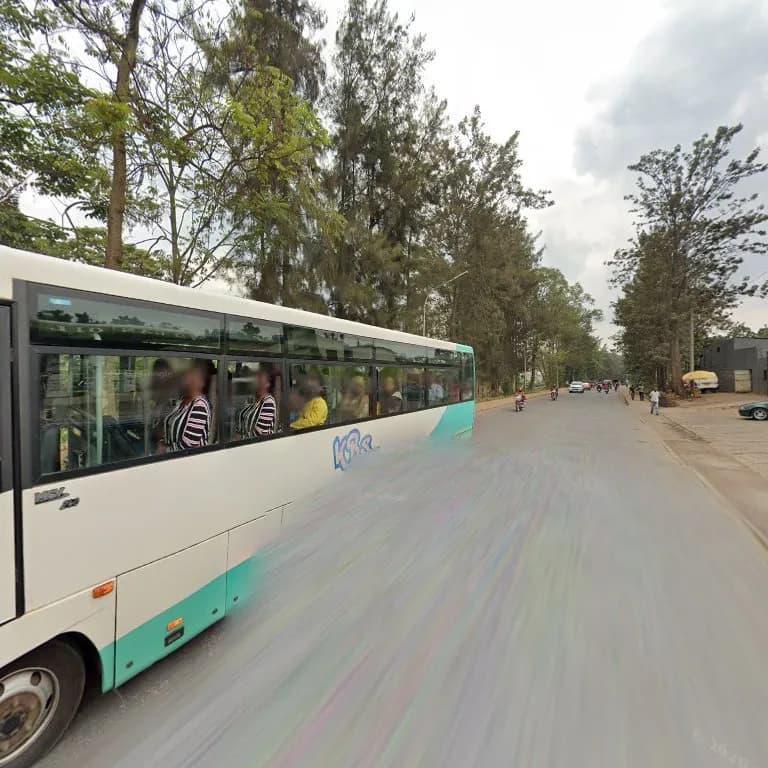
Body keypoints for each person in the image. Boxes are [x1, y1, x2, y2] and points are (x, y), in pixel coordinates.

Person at [159, 359, 212, 452]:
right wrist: (162, 441)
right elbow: (169, 424)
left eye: (192, 378)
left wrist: (164, 450)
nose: (186, 381)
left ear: (200, 382)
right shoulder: (182, 399)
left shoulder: (200, 405)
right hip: (171, 458)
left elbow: (189, 446)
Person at [236, 368, 277, 439]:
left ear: (267, 384)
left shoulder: (268, 402)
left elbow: (260, 434)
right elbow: (240, 420)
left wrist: (240, 439)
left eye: (260, 378)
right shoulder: (251, 399)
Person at [149, 358, 176, 453]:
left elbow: (169, 423)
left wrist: (161, 442)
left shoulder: (173, 397)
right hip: (155, 440)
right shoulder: (159, 394)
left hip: (164, 445)